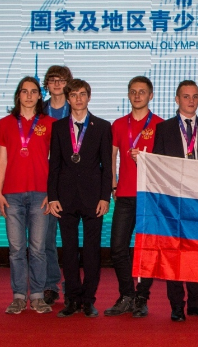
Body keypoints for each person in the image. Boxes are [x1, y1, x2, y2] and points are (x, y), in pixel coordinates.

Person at [153, 80, 198, 322]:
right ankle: (176, 305)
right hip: (173, 200)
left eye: (195, 96)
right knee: (174, 253)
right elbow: (158, 164)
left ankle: (195, 302)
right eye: (186, 96)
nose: (191, 101)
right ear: (177, 99)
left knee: (196, 252)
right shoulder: (164, 128)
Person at [48, 79, 112, 318]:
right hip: (65, 198)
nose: (78, 99)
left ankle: (88, 300)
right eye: (73, 95)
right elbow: (54, 166)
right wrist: (52, 197)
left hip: (93, 198)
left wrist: (105, 197)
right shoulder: (58, 127)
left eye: (82, 94)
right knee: (69, 250)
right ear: (68, 98)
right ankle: (72, 299)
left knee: (92, 251)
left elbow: (107, 166)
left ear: (89, 97)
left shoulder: (102, 126)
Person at [0, 76, 56, 314]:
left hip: (40, 193)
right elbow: (2, 160)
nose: (29, 96)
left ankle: (38, 296)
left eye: (33, 92)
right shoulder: (4, 123)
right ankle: (19, 296)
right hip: (12, 194)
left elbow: (56, 162)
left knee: (39, 248)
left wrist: (52, 193)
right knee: (16, 249)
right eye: (24, 91)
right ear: (18, 95)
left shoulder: (50, 123)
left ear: (40, 96)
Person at [105, 76, 163, 318]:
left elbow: (164, 162)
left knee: (147, 249)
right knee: (118, 247)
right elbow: (111, 156)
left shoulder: (160, 125)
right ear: (128, 95)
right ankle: (127, 294)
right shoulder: (119, 124)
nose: (137, 96)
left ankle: (142, 297)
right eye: (133, 91)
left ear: (151, 95)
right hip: (124, 194)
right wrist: (113, 184)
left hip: (150, 196)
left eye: (142, 92)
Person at [41, 65, 73, 305]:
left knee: (70, 239)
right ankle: (50, 285)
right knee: (46, 239)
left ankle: (72, 286)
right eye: (52, 80)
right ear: (47, 84)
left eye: (61, 80)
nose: (57, 84)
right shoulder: (38, 110)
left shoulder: (77, 108)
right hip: (45, 180)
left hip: (72, 181)